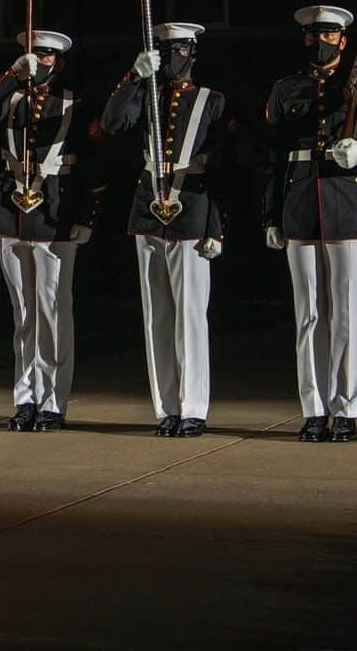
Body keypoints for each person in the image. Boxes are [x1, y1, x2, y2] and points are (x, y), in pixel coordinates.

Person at [262, 5, 357, 443]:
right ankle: (313, 408)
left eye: (330, 35)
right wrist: (270, 214)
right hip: (298, 204)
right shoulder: (286, 89)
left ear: (344, 40)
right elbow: (274, 158)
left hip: (347, 206)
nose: (322, 42)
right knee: (309, 314)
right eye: (315, 35)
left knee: (345, 313)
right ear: (306, 39)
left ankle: (346, 408)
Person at [0, 30, 103, 432]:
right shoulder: (9, 99)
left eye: (44, 56)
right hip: (13, 212)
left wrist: (88, 215)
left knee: (53, 311)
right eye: (31, 55)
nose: (38, 62)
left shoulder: (73, 102)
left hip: (56, 215)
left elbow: (94, 163)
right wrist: (12, 75)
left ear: (58, 62)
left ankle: (53, 401)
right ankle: (25, 398)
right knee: (23, 313)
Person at [99, 22, 229, 438]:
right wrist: (134, 76)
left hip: (191, 209)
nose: (173, 58)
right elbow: (112, 123)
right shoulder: (147, 96)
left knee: (190, 316)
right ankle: (166, 407)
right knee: (157, 316)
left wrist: (217, 226)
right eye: (166, 50)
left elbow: (225, 170)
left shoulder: (213, 101)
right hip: (148, 211)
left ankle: (193, 406)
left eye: (179, 51)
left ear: (192, 52)